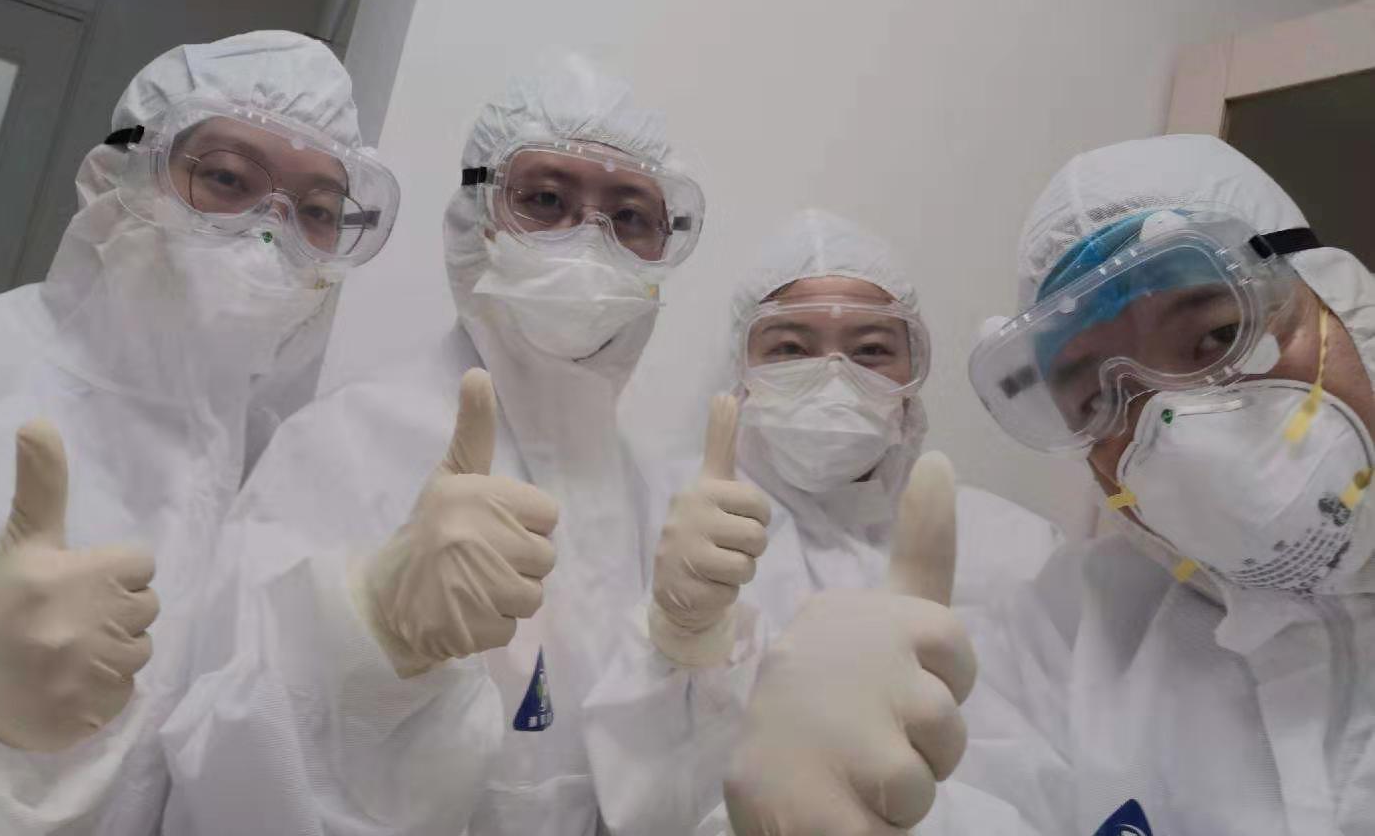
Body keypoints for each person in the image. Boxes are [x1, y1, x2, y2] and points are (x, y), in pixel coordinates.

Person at [727, 134, 1375, 835]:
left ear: (1338, 297)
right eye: (1098, 396)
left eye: (1218, 336)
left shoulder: (1019, 551)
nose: (1173, 426)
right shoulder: (1070, 633)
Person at [159, 52, 708, 835]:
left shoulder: (648, 490)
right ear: (476, 219)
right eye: (545, 199)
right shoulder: (344, 442)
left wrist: (691, 651)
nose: (589, 241)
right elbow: (225, 774)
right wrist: (372, 634)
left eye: (630, 218)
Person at [0, 31, 397, 836]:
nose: (269, 232)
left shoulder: (284, 468)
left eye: (316, 212)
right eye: (227, 178)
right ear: (118, 173)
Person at [584, 208, 1060, 835]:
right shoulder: (669, 516)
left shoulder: (1016, 550)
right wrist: (677, 637)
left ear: (912, 376)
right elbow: (631, 804)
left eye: (871, 350)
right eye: (789, 349)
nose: (834, 375)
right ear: (742, 369)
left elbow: (1046, 785)